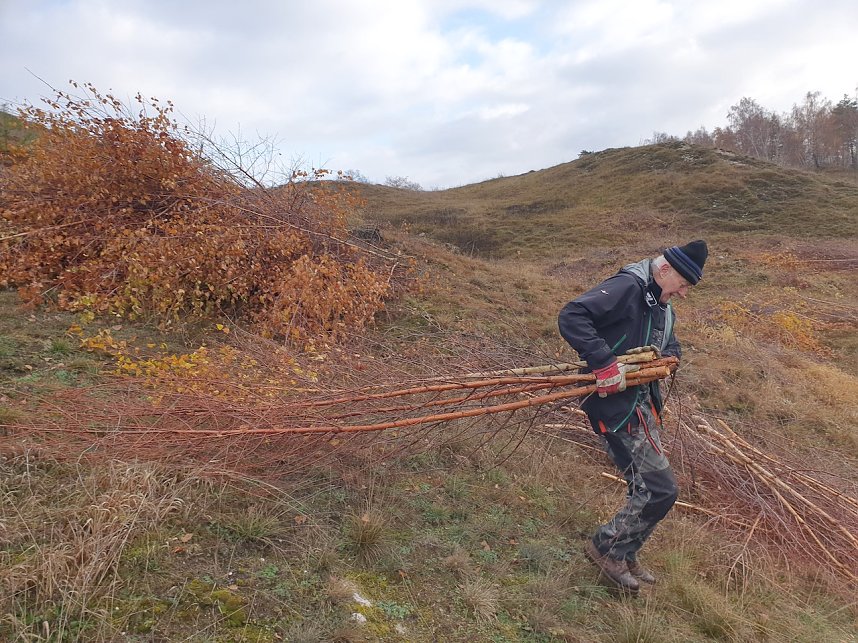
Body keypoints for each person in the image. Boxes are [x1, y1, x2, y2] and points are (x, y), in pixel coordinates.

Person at [557, 240, 708, 593]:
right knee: (660, 489)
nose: (684, 293)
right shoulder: (628, 287)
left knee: (648, 486)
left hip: (643, 406)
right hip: (617, 407)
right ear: (666, 269)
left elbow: (668, 343)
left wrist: (670, 358)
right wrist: (603, 361)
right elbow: (572, 315)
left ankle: (624, 550)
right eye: (683, 284)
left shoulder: (663, 305)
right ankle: (606, 548)